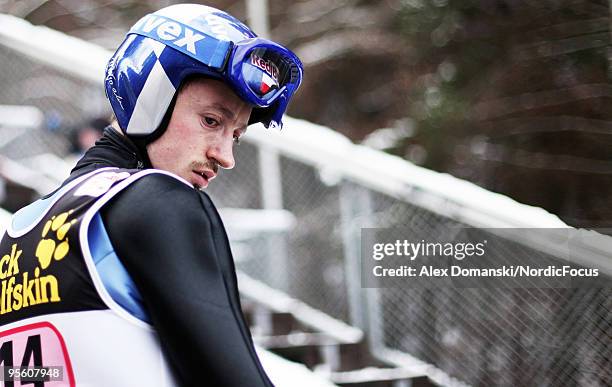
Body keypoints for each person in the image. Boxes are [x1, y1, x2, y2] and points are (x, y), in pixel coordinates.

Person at [0, 4, 302, 387]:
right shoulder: (159, 203)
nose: (226, 157)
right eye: (211, 121)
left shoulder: (20, 232)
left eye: (236, 135)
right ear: (149, 94)